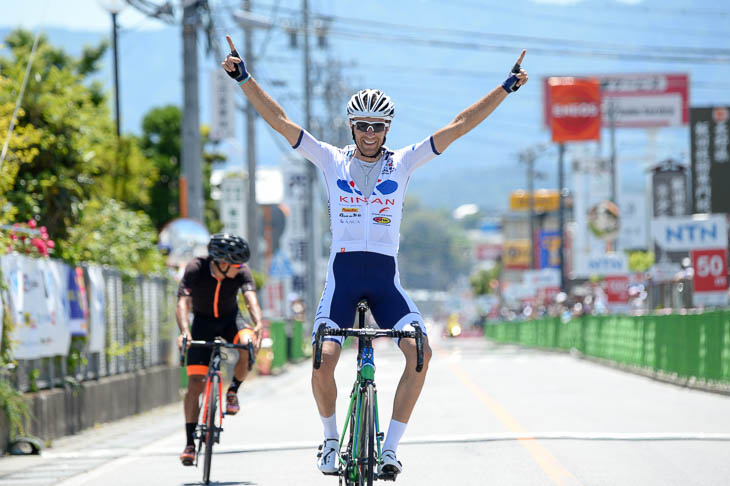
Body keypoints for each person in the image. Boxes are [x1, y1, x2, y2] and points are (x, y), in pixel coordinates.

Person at [221, 34, 528, 477]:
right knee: (323, 359)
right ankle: (329, 441)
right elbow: (280, 119)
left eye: (377, 126)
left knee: (419, 352)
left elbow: (459, 125)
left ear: (388, 129)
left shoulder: (402, 162)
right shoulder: (329, 159)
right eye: (362, 125)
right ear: (351, 127)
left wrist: (505, 87)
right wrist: (244, 78)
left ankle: (390, 447)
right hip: (342, 280)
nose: (369, 133)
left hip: (386, 281)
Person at [176, 233, 264, 465]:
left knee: (246, 344)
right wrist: (185, 331)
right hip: (201, 323)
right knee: (195, 384)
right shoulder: (196, 268)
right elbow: (183, 302)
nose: (241, 268)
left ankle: (232, 390)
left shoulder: (242, 272)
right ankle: (189, 444)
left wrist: (258, 324)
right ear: (222, 263)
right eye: (236, 264)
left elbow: (250, 299)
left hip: (230, 320)